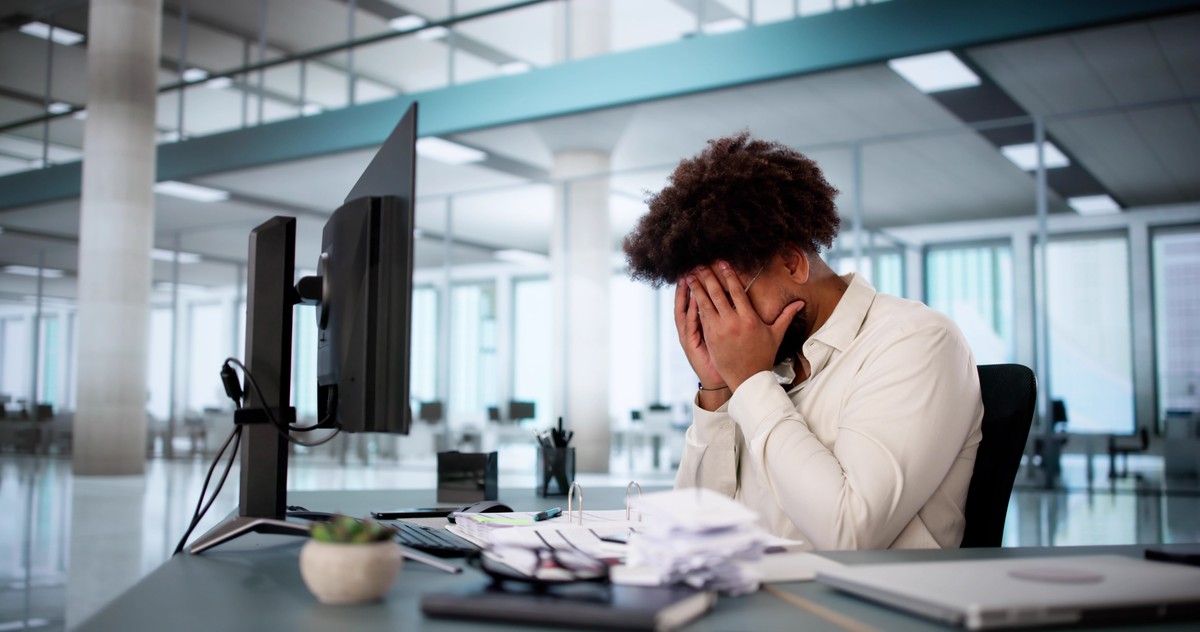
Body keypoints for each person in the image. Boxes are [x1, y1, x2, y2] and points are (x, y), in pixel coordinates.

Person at [622, 132, 983, 550]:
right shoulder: (766, 366)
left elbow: (849, 534)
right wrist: (718, 392)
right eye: (704, 306)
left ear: (792, 264)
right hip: (757, 603)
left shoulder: (916, 341)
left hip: (864, 610)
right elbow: (696, 531)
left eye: (730, 298)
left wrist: (751, 383)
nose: (721, 327)